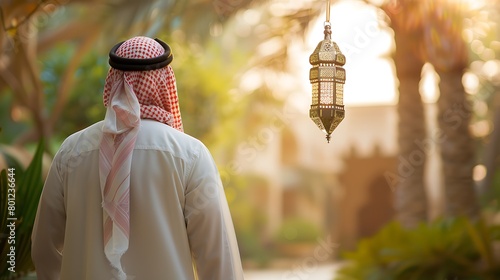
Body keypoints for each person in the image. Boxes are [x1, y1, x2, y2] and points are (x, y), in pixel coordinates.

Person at [31, 36, 244, 280]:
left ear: (113, 81)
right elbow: (218, 256)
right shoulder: (191, 154)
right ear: (164, 81)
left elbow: (43, 249)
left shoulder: (72, 151)